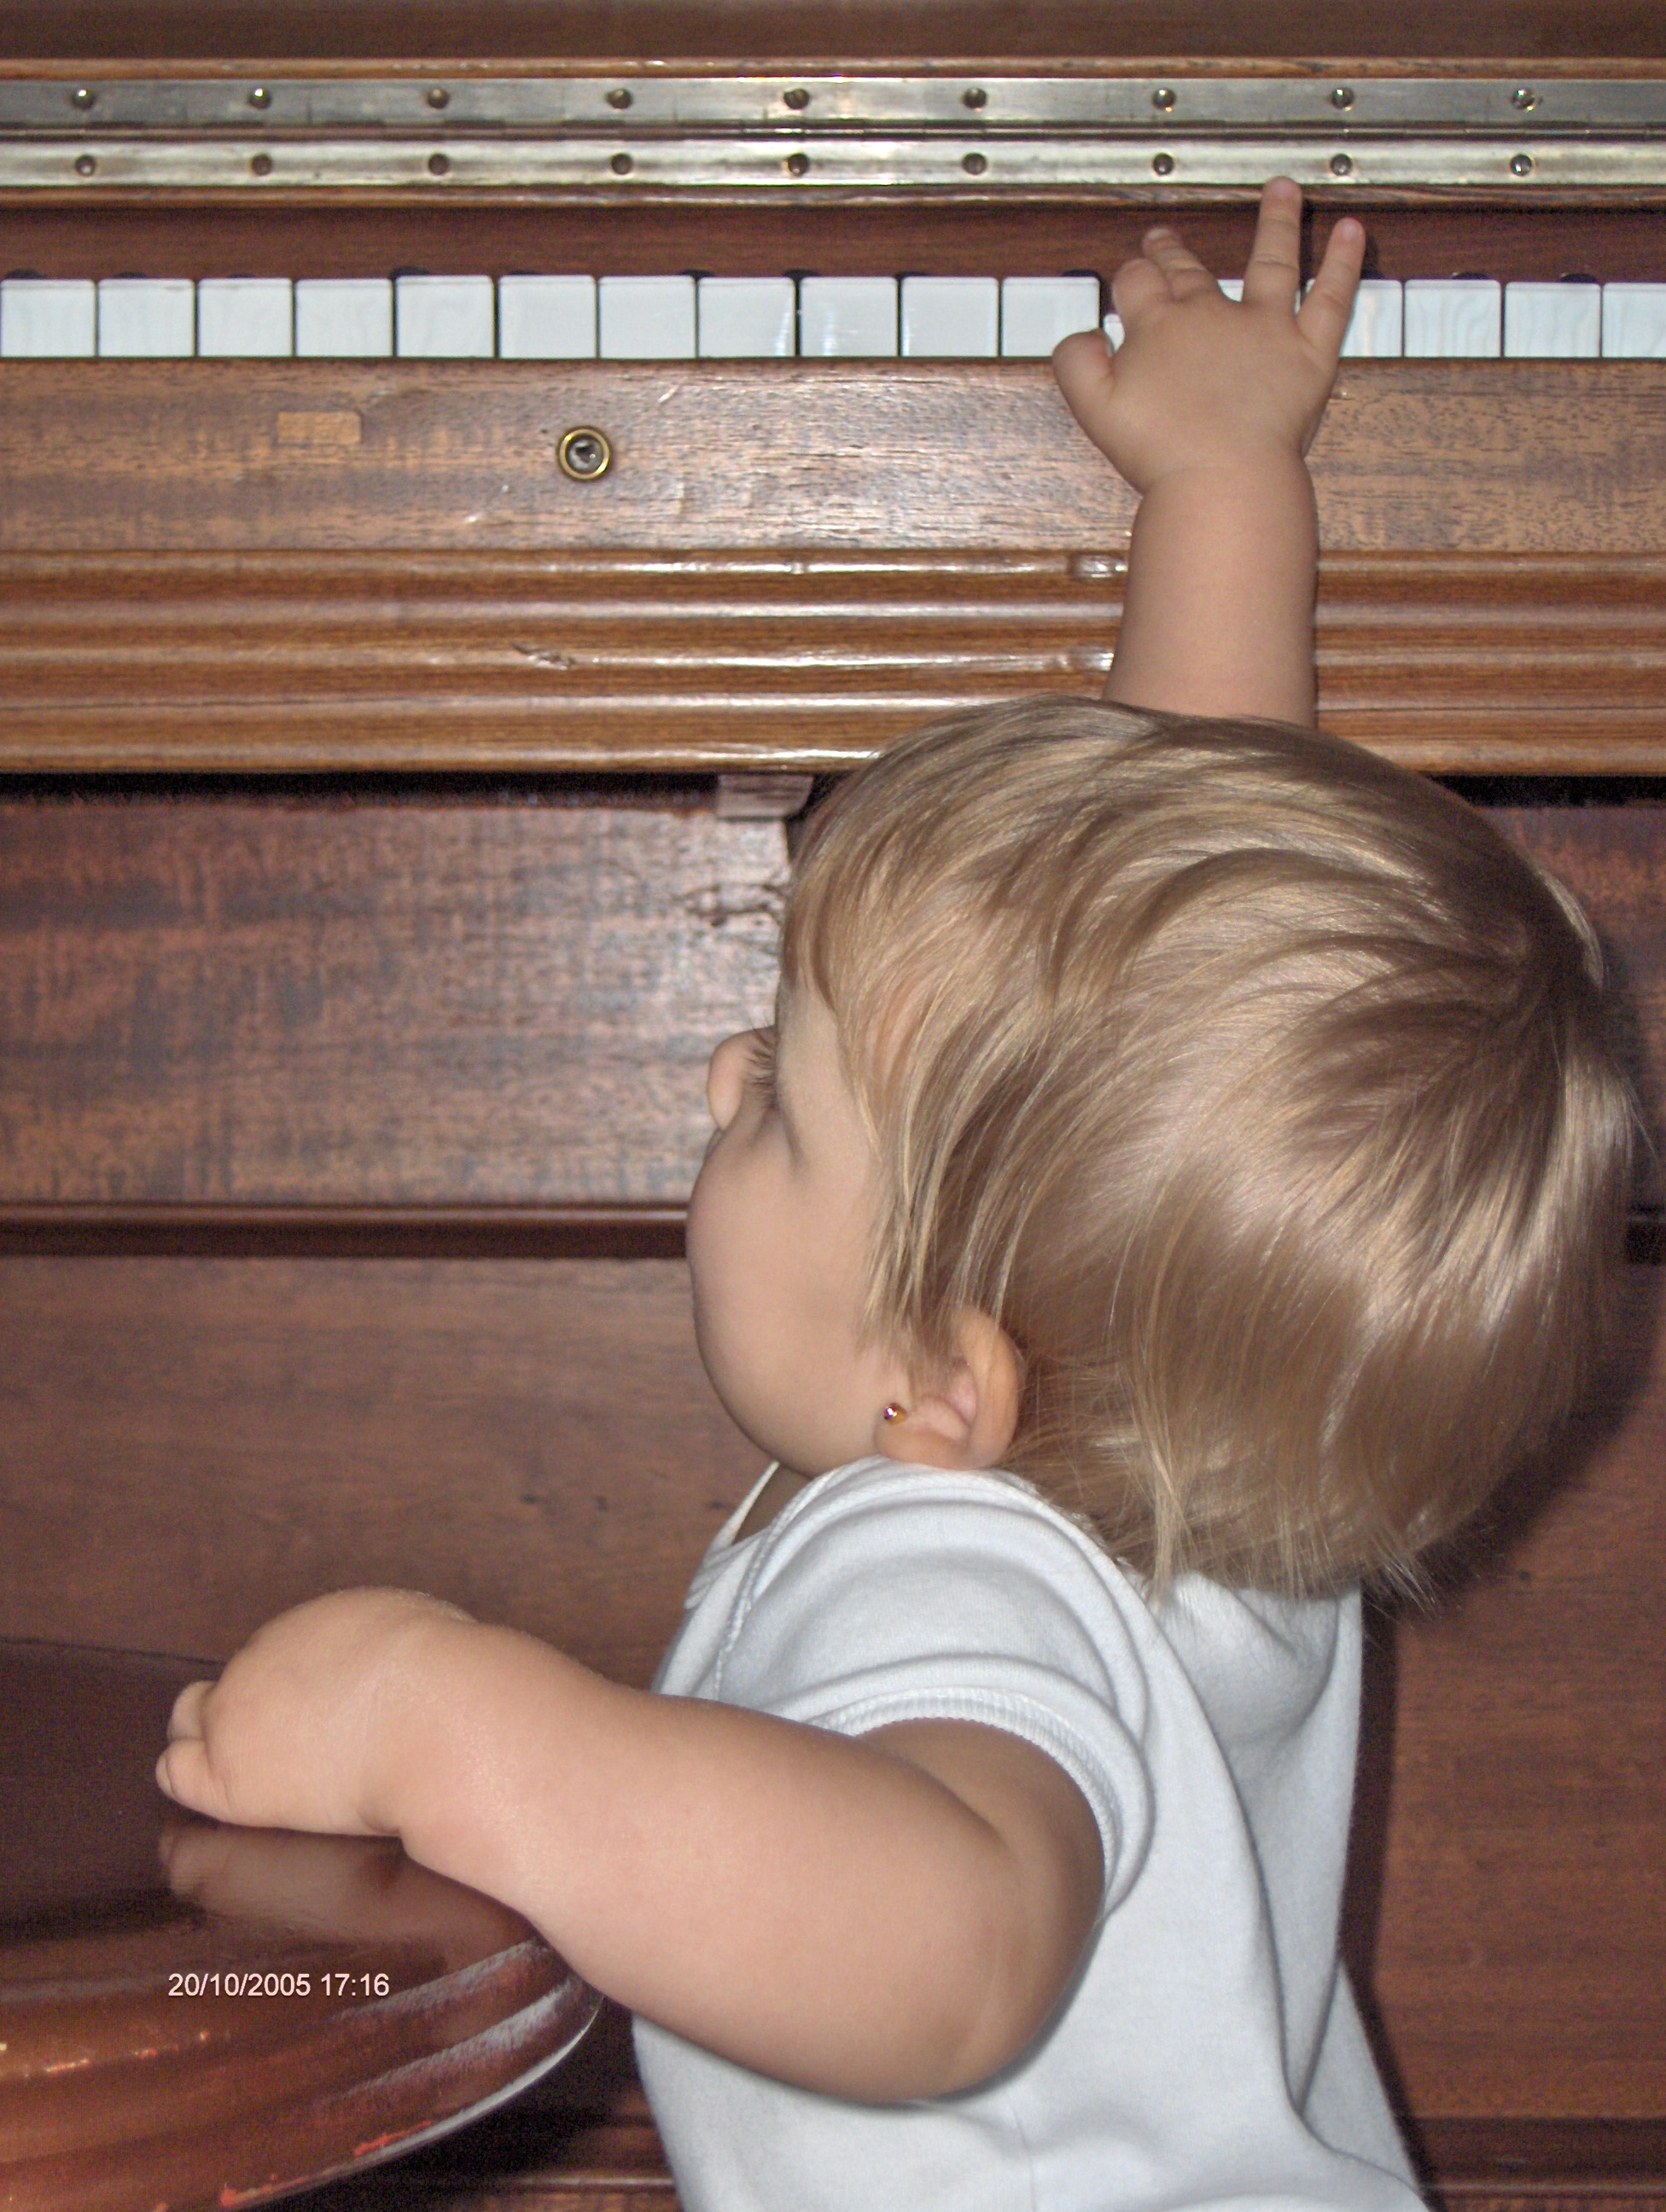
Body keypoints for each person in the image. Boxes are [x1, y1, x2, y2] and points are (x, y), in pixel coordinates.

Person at [154, 181, 1634, 2210]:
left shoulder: (955, 1566)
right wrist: (1221, 485)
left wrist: (452, 1723)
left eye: (782, 1102)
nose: (720, 1076)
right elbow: (1180, 933)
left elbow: (948, 1955)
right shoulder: (1209, 1445)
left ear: (944, 1376)